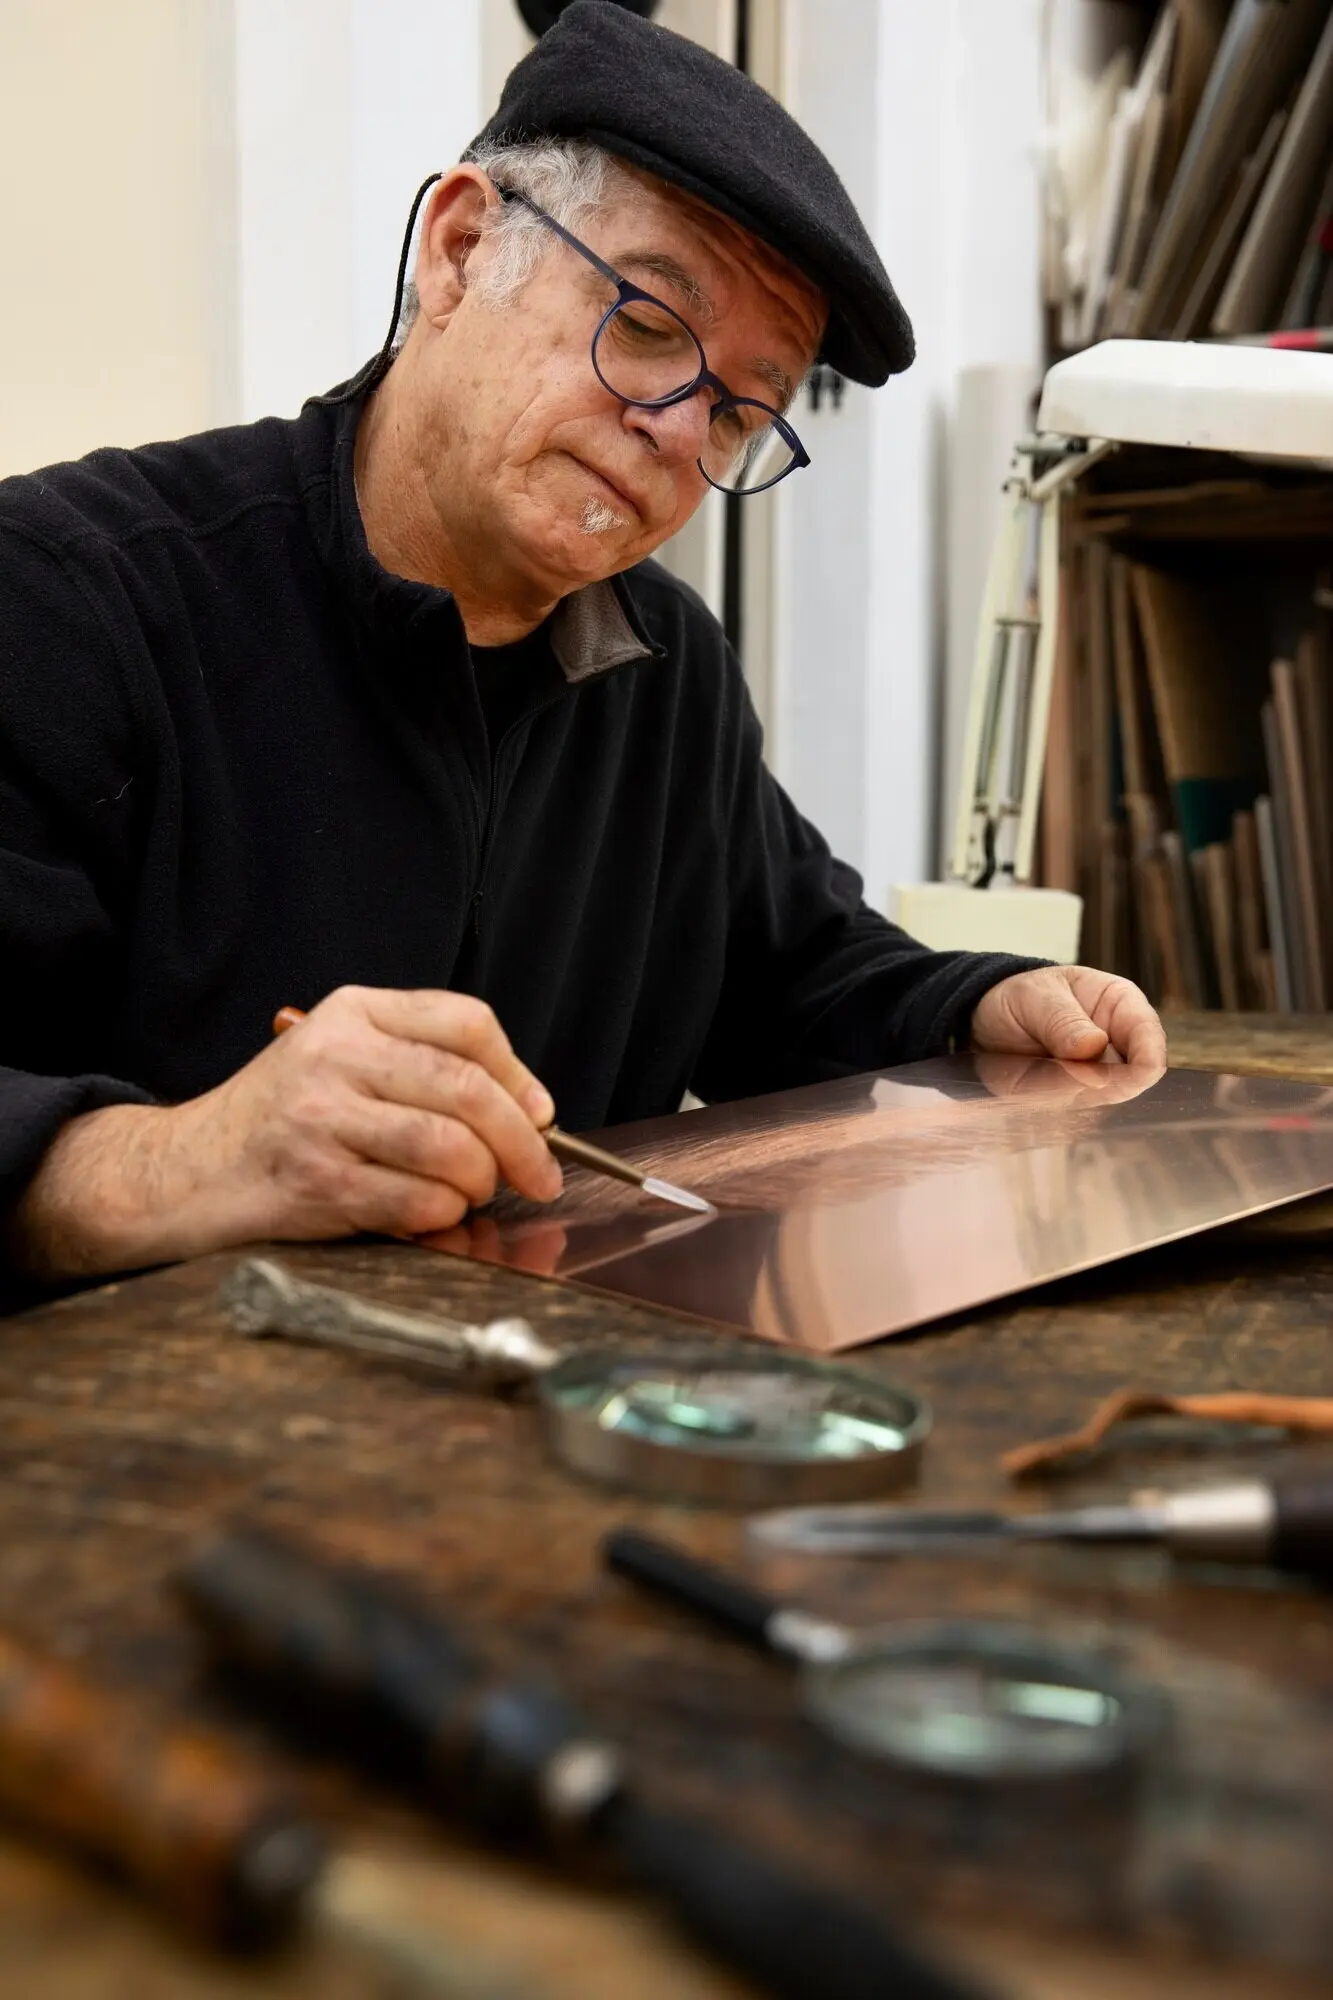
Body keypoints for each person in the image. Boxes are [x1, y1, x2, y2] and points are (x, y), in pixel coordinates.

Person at [0, 1, 1164, 1302]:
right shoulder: (67, 598)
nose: (677, 430)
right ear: (456, 252)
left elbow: (793, 971)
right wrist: (186, 1160)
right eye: (650, 327)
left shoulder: (666, 664)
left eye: (740, 409)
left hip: (530, 1424)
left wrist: (981, 1009)